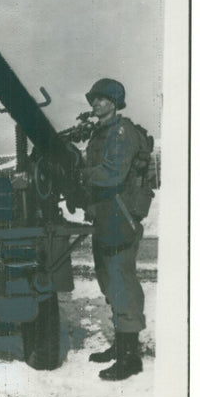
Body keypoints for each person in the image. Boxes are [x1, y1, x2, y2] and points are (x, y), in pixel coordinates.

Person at [80, 78, 149, 381]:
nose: (95, 104)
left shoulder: (122, 132)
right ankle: (121, 344)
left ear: (115, 103)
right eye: (94, 99)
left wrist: (79, 175)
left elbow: (111, 174)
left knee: (122, 283)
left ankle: (130, 357)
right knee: (109, 282)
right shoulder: (101, 133)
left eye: (102, 99)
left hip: (121, 217)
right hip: (105, 218)